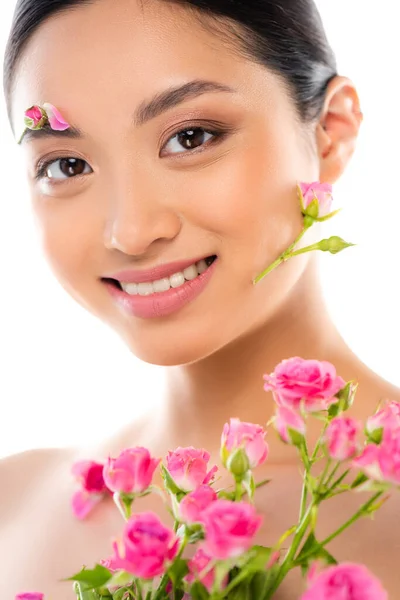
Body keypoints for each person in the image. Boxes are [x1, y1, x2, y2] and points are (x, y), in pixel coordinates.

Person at [2, 0, 400, 598]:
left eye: (191, 138)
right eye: (66, 164)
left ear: (331, 133)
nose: (131, 231)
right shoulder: (13, 504)